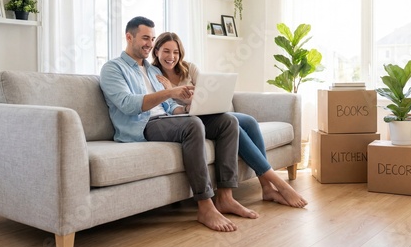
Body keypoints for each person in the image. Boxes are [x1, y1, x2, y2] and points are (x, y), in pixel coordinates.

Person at [99, 16, 258, 233]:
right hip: (142, 125)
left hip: (164, 119)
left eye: (152, 38)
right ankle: (205, 205)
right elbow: (127, 105)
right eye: (145, 38)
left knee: (227, 121)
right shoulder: (113, 69)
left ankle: (225, 196)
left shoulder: (153, 71)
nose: (149, 43)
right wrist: (170, 92)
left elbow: (167, 109)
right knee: (193, 126)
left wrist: (183, 110)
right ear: (129, 37)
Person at [152, 32, 308, 208]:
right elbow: (169, 105)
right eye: (166, 51)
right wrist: (184, 95)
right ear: (156, 51)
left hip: (207, 111)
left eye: (176, 52)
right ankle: (276, 183)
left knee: (248, 121)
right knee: (233, 126)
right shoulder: (154, 75)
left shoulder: (189, 68)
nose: (171, 57)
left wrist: (175, 89)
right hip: (187, 119)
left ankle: (267, 187)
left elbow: (204, 95)